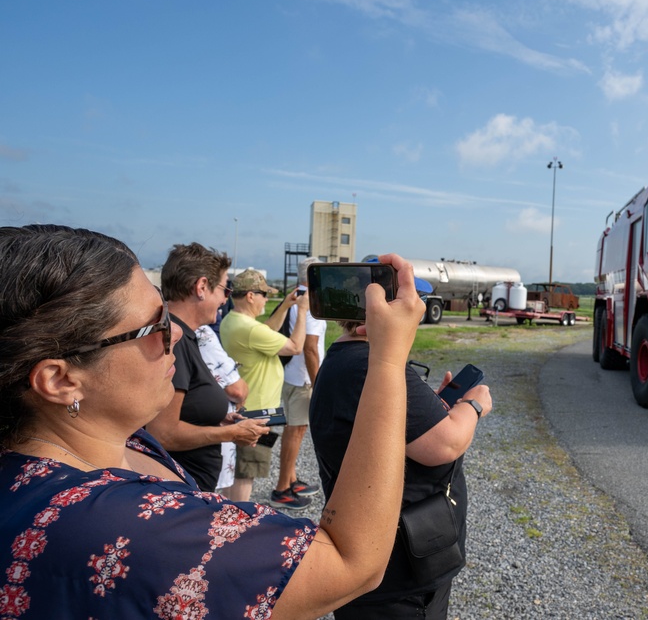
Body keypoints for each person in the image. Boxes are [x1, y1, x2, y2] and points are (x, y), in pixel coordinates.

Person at [0, 224, 427, 618]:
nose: (177, 334)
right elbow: (353, 562)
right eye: (154, 326)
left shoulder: (77, 452)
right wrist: (387, 360)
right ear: (60, 380)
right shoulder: (123, 528)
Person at [310, 317, 493, 619]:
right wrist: (473, 406)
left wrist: (429, 411)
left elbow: (389, 429)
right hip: (400, 572)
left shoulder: (347, 357)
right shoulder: (369, 364)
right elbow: (447, 443)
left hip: (374, 556)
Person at [145, 242, 270, 492]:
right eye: (225, 289)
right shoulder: (175, 342)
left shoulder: (184, 334)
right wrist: (231, 433)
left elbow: (185, 407)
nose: (226, 299)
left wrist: (219, 419)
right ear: (202, 287)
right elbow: (164, 433)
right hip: (183, 488)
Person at [220, 269, 308, 504]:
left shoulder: (234, 321)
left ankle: (231, 515)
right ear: (250, 296)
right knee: (246, 473)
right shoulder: (249, 329)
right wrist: (303, 311)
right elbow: (295, 346)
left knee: (239, 469)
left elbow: (267, 331)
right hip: (255, 412)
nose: (266, 300)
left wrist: (286, 306)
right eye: (263, 295)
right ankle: (238, 520)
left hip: (248, 408)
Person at [273, 257, 325, 508]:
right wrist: (319, 385)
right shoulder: (311, 302)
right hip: (302, 378)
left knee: (296, 429)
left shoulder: (296, 295)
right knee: (295, 431)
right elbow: (311, 349)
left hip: (292, 375)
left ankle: (291, 479)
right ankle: (282, 489)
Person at [194, 321, 248, 492]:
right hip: (205, 448)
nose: (225, 299)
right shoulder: (201, 332)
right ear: (200, 292)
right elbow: (237, 390)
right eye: (224, 291)